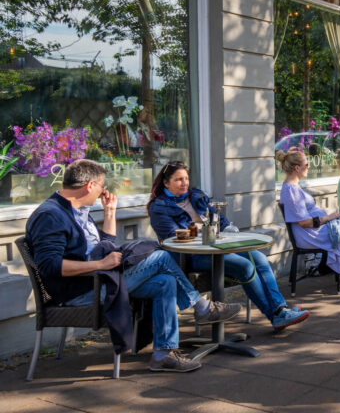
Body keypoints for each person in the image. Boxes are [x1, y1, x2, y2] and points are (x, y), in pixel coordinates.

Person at [26, 159, 241, 373]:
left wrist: (110, 213)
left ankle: (163, 356)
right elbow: (50, 266)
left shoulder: (78, 210)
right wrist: (100, 263)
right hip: (83, 291)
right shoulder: (51, 215)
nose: (104, 191)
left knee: (165, 281)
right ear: (89, 186)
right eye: (102, 186)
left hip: (103, 278)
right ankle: (202, 307)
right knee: (162, 257)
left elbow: (105, 245)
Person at [148, 161, 309, 329]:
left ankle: (280, 310)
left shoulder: (197, 195)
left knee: (260, 258)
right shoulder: (159, 207)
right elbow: (173, 237)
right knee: (245, 266)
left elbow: (221, 222)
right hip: (190, 256)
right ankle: (275, 315)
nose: (185, 183)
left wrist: (228, 229)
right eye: (179, 179)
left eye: (186, 178)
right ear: (166, 183)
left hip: (218, 248)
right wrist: (205, 230)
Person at [278, 151, 340, 294]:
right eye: (307, 164)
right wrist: (328, 218)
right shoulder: (291, 191)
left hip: (314, 231)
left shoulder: (293, 187)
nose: (309, 167)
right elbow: (304, 223)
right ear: (297, 168)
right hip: (309, 235)